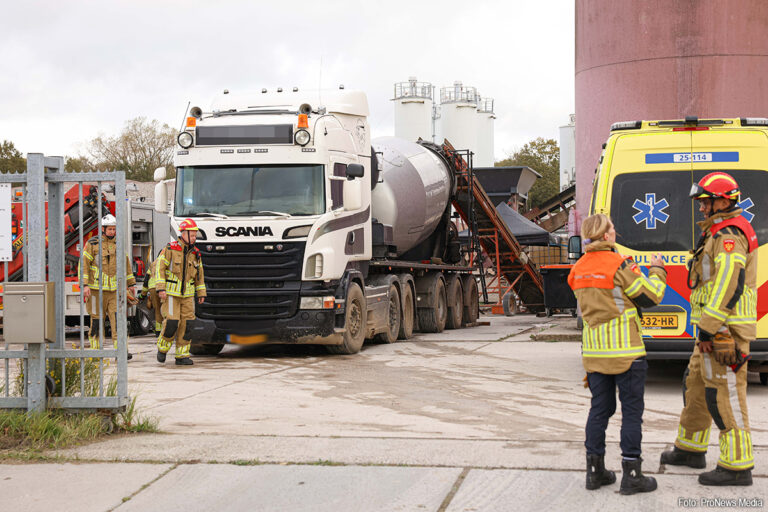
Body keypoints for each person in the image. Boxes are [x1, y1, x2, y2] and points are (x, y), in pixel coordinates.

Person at [660, 172, 758, 486]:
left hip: (724, 332)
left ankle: (737, 466)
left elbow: (729, 283)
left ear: (724, 200)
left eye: (706, 202)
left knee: (725, 396)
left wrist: (709, 327)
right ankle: (690, 449)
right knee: (696, 387)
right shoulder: (716, 232)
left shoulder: (730, 234)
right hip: (711, 331)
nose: (701, 208)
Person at [568, 213, 667, 495]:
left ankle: (595, 472)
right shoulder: (619, 265)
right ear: (607, 236)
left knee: (600, 410)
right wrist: (657, 270)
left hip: (595, 353)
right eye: (613, 228)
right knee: (631, 413)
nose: (615, 232)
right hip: (627, 353)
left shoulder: (578, 269)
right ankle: (632, 474)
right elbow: (651, 297)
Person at [80, 214, 136, 359]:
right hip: (95, 291)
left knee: (118, 321)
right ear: (103, 229)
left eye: (114, 229)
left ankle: (121, 351)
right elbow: (84, 265)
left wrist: (130, 284)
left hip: (114, 292)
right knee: (97, 322)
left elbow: (126, 264)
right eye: (110, 229)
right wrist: (85, 286)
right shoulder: (92, 244)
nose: (112, 231)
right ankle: (96, 351)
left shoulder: (119, 244)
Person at [154, 218, 206, 365]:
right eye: (192, 235)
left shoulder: (196, 253)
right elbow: (159, 269)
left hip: (188, 296)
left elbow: (200, 275)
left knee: (188, 324)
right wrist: (161, 289)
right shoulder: (170, 249)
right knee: (172, 322)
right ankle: (162, 349)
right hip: (171, 295)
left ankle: (182, 356)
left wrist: (201, 293)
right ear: (183, 233)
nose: (194, 238)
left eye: (195, 235)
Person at [138, 257, 164, 336]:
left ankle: (158, 331)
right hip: (163, 288)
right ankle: (165, 331)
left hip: (152, 288)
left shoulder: (153, 263)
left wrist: (143, 294)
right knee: (166, 310)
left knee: (157, 310)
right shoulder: (168, 261)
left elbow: (146, 280)